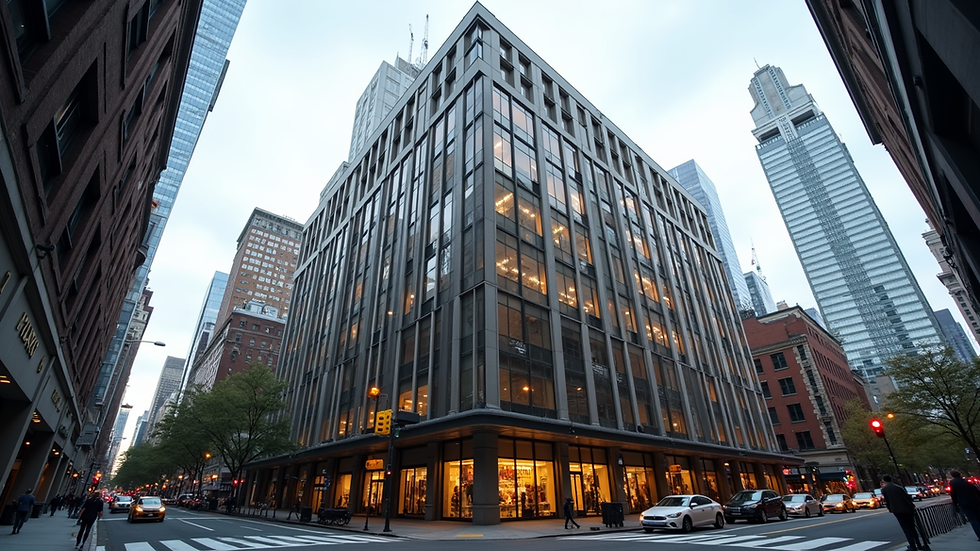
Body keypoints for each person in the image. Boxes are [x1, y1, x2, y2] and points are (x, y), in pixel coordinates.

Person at [880, 475, 930, 551]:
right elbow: (907, 497)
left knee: (906, 528)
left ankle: (912, 546)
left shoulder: (884, 489)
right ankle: (919, 544)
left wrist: (890, 508)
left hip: (897, 510)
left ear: (884, 480)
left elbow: (887, 500)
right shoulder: (899, 487)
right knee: (912, 528)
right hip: (908, 509)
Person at [949, 470, 980, 540]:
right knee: (978, 517)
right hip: (975, 501)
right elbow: (976, 490)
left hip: (963, 503)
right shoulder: (966, 482)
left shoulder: (953, 483)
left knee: (972, 519)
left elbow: (953, 494)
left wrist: (955, 504)